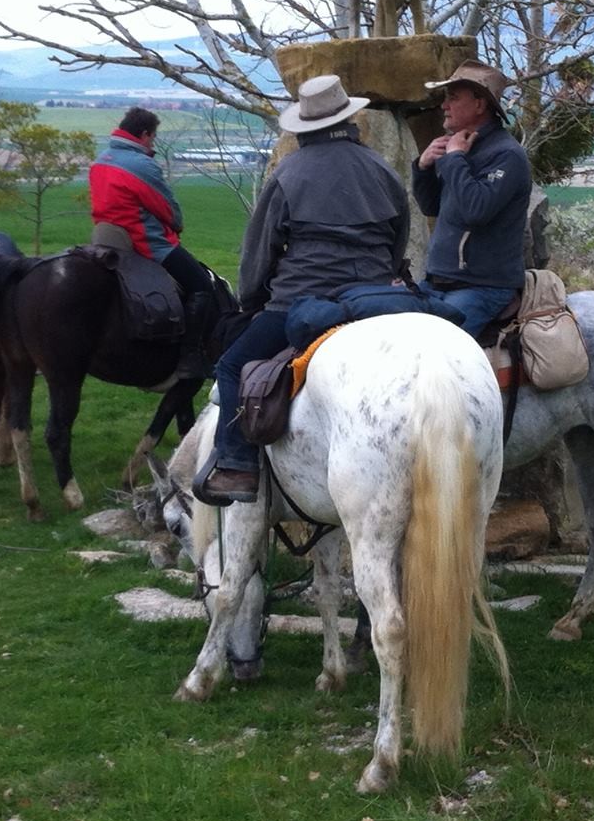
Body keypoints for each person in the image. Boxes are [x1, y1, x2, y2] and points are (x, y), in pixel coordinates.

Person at [196, 75, 410, 503]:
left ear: (305, 128)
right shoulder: (382, 168)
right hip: (372, 301)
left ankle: (237, 464)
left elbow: (260, 250)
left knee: (233, 366)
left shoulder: (289, 172)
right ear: (350, 121)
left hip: (300, 300)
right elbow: (399, 236)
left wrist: (253, 301)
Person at [89, 106, 221, 378]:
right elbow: (167, 209)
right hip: (145, 243)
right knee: (201, 285)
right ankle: (190, 356)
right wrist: (177, 224)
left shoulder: (101, 159)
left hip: (104, 239)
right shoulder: (142, 165)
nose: (153, 143)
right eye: (153, 137)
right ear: (145, 134)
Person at [411, 59, 533, 333]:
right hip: (437, 282)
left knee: (437, 351)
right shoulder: (461, 146)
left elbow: (475, 210)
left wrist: (454, 159)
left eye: (453, 98)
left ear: (480, 105)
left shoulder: (507, 155)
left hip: (483, 287)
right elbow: (432, 206)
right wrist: (423, 168)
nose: (444, 106)